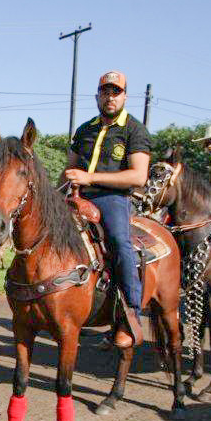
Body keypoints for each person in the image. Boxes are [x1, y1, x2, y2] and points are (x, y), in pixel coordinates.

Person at [63, 71, 152, 349]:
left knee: (118, 242)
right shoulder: (85, 129)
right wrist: (60, 189)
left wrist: (90, 178)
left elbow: (138, 176)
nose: (110, 97)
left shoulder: (134, 130)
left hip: (112, 198)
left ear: (125, 96)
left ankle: (130, 317)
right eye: (105, 92)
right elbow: (70, 167)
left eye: (116, 92)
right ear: (97, 96)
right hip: (77, 196)